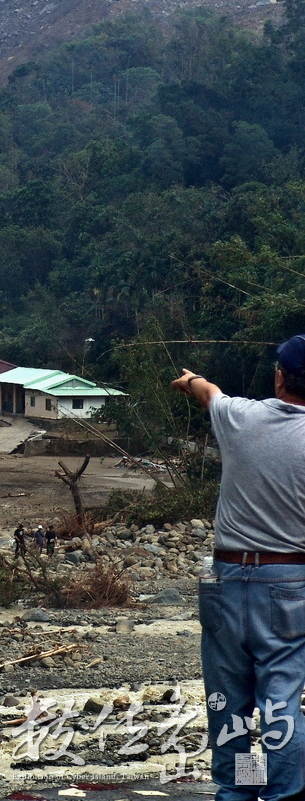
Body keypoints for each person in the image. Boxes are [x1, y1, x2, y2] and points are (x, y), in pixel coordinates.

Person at [172, 334, 305, 801]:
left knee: (231, 705)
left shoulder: (241, 417)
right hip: (290, 585)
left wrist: (191, 379)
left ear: (279, 377)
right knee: (280, 704)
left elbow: (209, 393)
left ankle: (241, 791)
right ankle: (281, 795)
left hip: (225, 581)